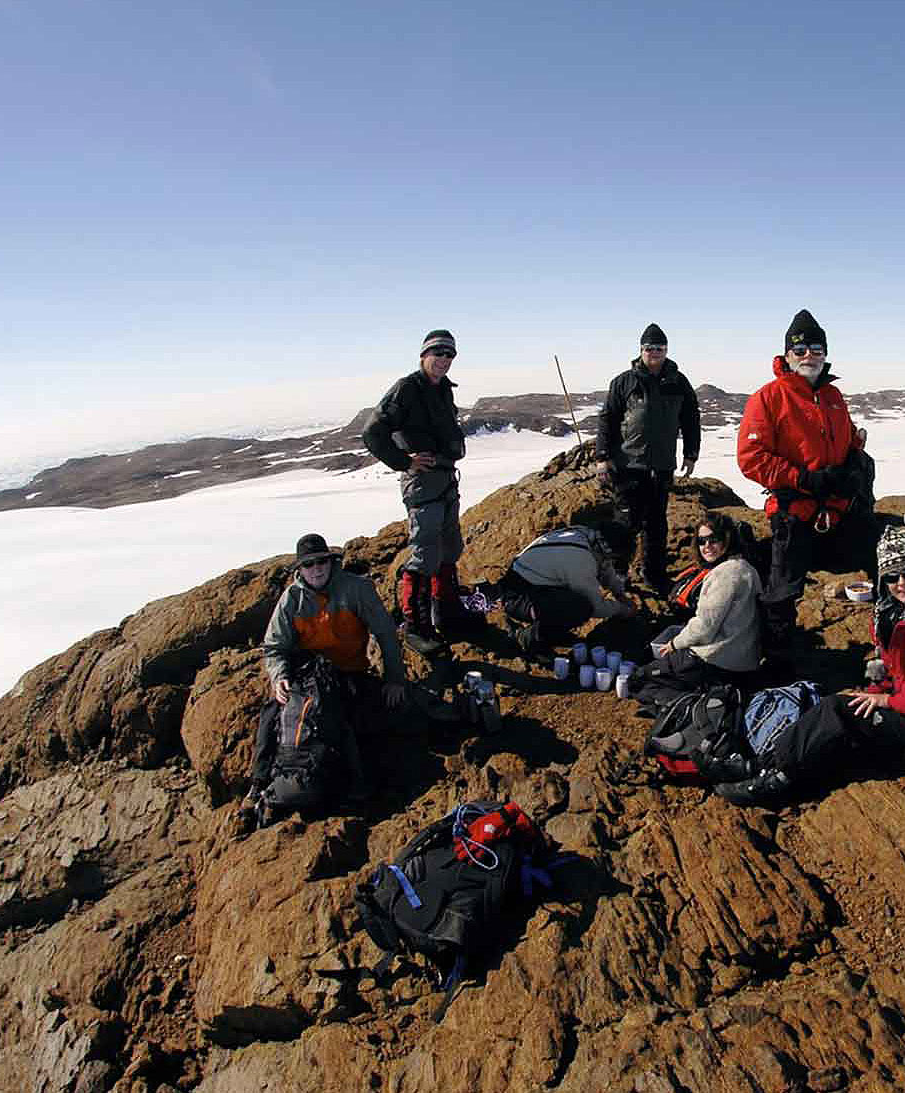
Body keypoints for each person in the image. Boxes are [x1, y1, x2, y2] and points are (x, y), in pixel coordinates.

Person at [715, 526, 905, 805]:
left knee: (837, 711)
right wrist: (874, 691)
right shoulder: (896, 611)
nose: (901, 583)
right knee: (837, 706)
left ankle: (776, 778)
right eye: (891, 576)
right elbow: (895, 669)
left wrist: (886, 701)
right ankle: (759, 764)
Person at [244, 534, 408, 825]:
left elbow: (385, 634)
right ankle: (258, 785)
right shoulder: (291, 600)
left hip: (349, 673)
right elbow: (274, 647)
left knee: (356, 723)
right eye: (309, 565)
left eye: (322, 562)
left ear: (332, 563)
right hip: (307, 677)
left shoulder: (356, 589)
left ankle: (358, 788)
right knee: (272, 715)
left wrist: (395, 679)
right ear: (300, 569)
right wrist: (279, 676)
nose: (317, 569)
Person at [735, 308, 872, 644]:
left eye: (816, 349)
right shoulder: (768, 397)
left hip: (838, 508)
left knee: (877, 560)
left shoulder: (833, 396)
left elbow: (848, 440)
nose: (809, 356)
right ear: (787, 354)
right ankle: (779, 657)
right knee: (783, 589)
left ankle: (888, 643)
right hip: (794, 510)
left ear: (825, 354)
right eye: (800, 350)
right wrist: (803, 479)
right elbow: (751, 458)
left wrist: (853, 463)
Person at [362, 329, 470, 654]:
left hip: (446, 479)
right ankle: (416, 628)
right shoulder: (407, 389)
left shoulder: (442, 390)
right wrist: (403, 463)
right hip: (423, 482)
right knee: (425, 554)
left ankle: (446, 612)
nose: (444, 360)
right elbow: (373, 433)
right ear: (424, 355)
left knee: (450, 547)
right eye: (438, 353)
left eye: (450, 355)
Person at [597, 323, 702, 591]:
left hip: (662, 465)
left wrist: (691, 453)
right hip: (629, 465)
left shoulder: (678, 382)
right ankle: (616, 575)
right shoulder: (624, 382)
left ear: (666, 351)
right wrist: (602, 456)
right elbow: (607, 419)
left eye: (659, 348)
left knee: (656, 525)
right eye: (649, 348)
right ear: (641, 350)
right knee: (626, 522)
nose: (654, 352)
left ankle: (654, 576)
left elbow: (691, 418)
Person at [631, 511, 764, 709]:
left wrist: (675, 645)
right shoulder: (745, 568)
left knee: (639, 681)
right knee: (676, 635)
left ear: (727, 539)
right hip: (742, 657)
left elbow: (705, 627)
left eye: (714, 539)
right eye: (702, 541)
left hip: (717, 659)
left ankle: (693, 708)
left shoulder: (725, 574)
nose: (707, 546)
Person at [493, 524, 637, 655]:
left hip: (533, 582)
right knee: (580, 607)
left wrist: (619, 593)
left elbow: (605, 566)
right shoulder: (581, 560)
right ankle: (527, 637)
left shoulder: (587, 536)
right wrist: (622, 609)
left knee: (573, 601)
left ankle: (553, 631)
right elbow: (596, 608)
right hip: (518, 597)